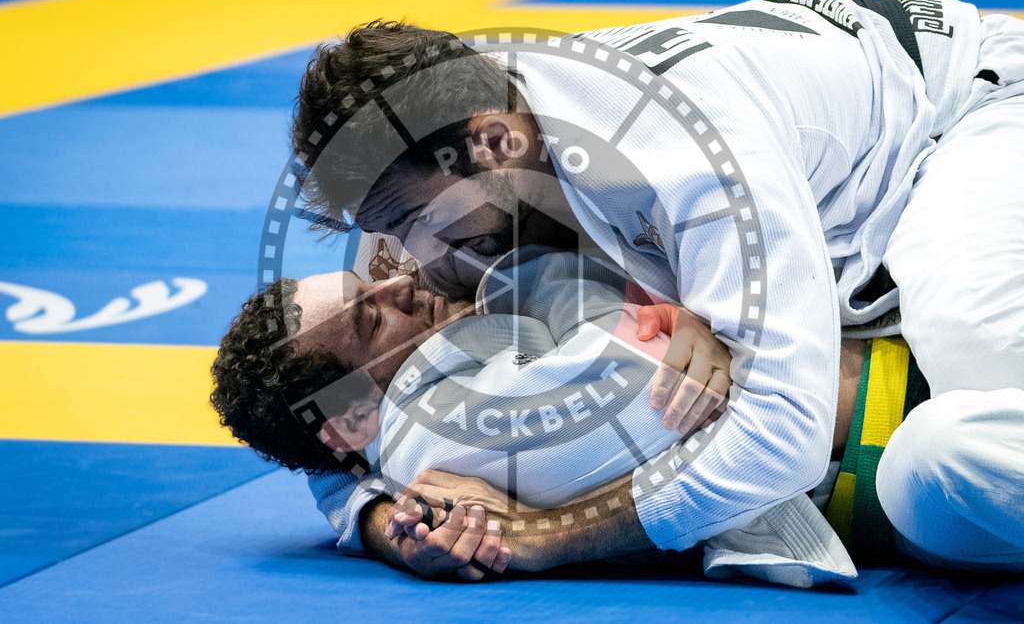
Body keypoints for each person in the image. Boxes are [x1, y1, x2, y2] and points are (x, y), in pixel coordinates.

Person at [291, 0, 1024, 574]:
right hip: (836, 200)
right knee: (945, 444)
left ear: (494, 141)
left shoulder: (680, 153)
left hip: (962, 112)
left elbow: (784, 436)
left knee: (977, 349)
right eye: (382, 230)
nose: (404, 262)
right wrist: (387, 523)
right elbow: (314, 408)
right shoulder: (432, 148)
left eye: (409, 221)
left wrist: (547, 535)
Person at [212, 249, 884, 585]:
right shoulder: (444, 425)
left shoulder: (407, 377)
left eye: (373, 279)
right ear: (351, 413)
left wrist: (382, 520)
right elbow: (663, 372)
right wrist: (525, 276)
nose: (401, 280)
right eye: (370, 313)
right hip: (876, 415)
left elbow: (325, 452)